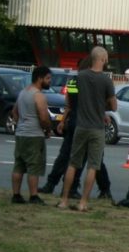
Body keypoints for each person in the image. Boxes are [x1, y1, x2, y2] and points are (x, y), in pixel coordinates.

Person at [43, 56, 113, 203]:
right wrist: (103, 114)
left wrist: (63, 120)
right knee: (94, 160)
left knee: (66, 156)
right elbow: (96, 103)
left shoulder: (74, 81)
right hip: (91, 122)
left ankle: (52, 184)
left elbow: (69, 102)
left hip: (75, 120)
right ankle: (99, 189)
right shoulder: (96, 81)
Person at [59, 46, 117, 212]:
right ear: (103, 59)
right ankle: (83, 202)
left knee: (73, 163)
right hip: (96, 128)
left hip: (80, 126)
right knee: (93, 165)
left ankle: (64, 200)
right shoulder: (106, 80)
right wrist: (102, 104)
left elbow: (70, 99)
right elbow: (113, 106)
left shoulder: (80, 77)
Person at [10, 65, 53, 205]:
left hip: (21, 133)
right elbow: (44, 117)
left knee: (19, 165)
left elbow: (14, 112)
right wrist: (47, 130)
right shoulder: (38, 95)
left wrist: (21, 123)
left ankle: (16, 195)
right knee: (34, 166)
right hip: (34, 135)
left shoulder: (23, 92)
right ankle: (34, 196)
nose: (50, 81)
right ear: (39, 78)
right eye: (48, 78)